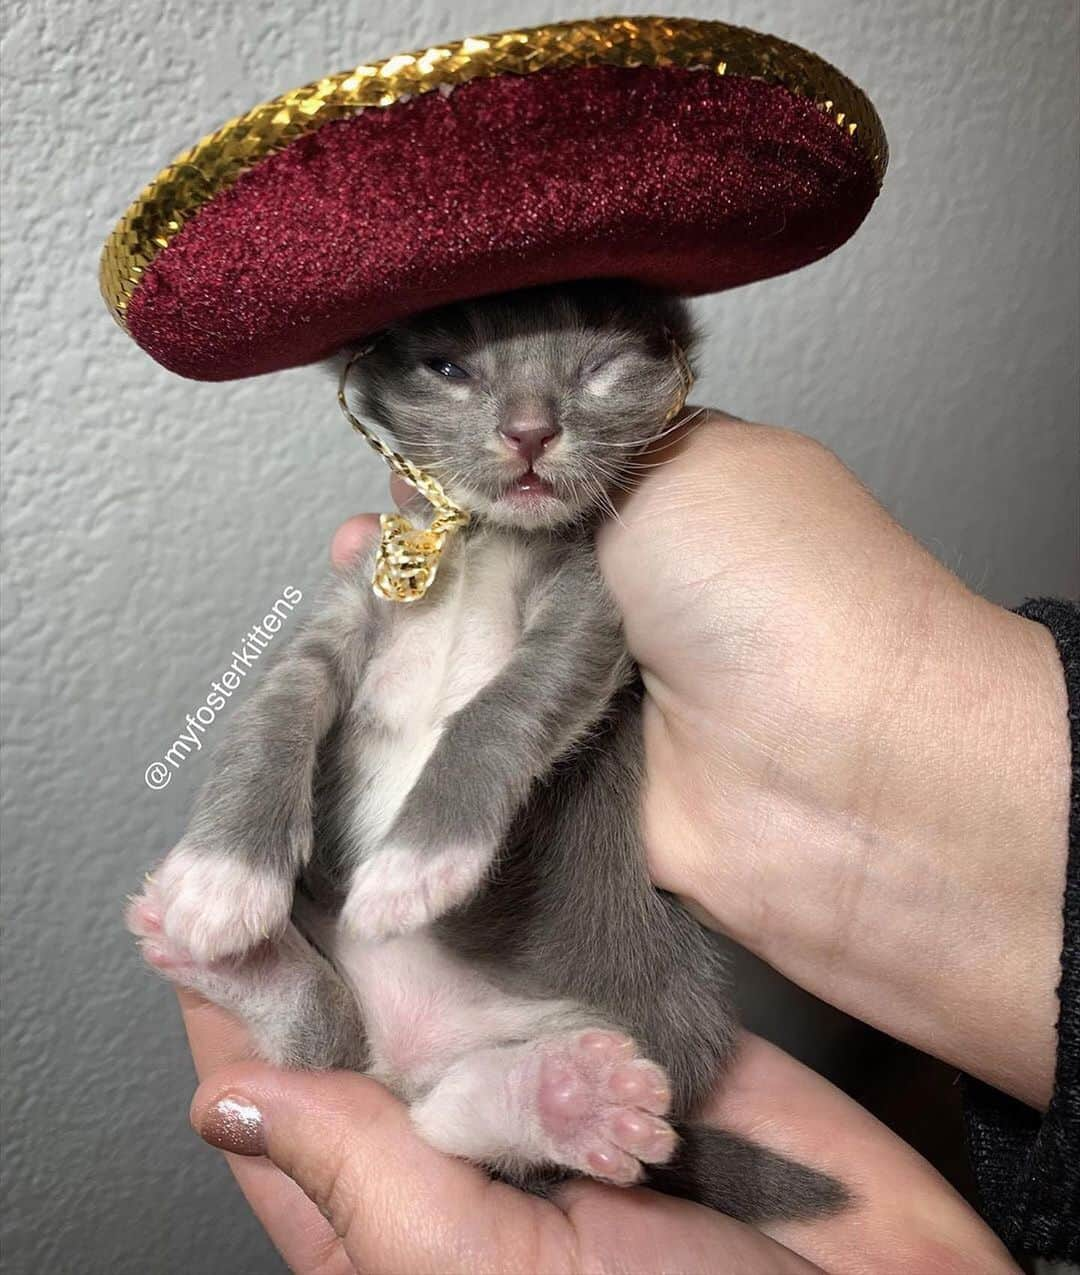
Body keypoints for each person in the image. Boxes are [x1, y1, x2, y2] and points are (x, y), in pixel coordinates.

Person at [180, 414, 1076, 1273]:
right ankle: (353, 1027)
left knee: (649, 1038)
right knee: (329, 951)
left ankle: (494, 1102)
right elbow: (297, 687)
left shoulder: (595, 564)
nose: (525, 423)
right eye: (451, 369)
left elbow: (560, 661)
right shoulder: (402, 557)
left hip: (530, 992)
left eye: (596, 366)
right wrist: (241, 835)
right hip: (374, 938)